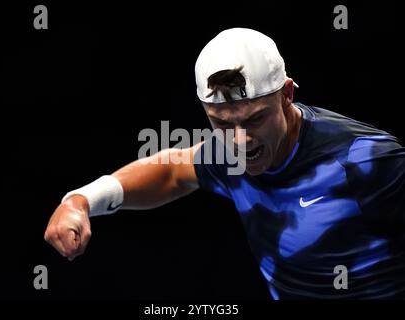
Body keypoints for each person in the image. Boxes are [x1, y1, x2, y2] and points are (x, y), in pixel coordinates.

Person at [44, 28, 405, 299]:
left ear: (287, 96)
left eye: (253, 120)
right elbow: (171, 171)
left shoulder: (367, 161)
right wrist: (79, 201)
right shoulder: (228, 154)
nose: (239, 140)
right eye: (221, 122)